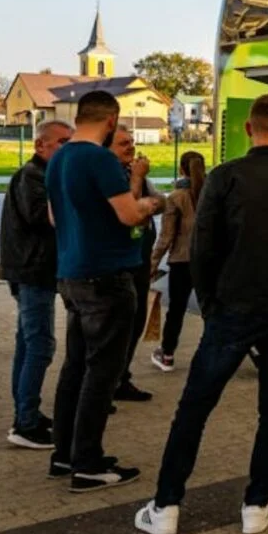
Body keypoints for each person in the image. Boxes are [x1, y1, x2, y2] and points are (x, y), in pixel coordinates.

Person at [134, 94, 268, 534]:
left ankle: (166, 506)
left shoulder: (225, 177)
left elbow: (203, 248)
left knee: (195, 408)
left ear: (247, 129)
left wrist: (209, 303)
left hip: (231, 309)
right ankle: (256, 503)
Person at [47, 91, 162, 493]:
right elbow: (129, 214)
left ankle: (64, 453)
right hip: (108, 276)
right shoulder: (100, 159)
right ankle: (89, 463)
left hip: (72, 274)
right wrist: (151, 203)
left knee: (74, 367)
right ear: (111, 119)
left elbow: (51, 215)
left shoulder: (60, 157)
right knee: (102, 373)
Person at [0, 120, 73, 449]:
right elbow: (41, 218)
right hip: (32, 272)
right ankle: (25, 423)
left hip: (34, 270)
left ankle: (28, 412)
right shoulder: (33, 176)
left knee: (29, 344)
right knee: (40, 345)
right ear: (40, 145)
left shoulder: (43, 175)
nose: (68, 148)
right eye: (62, 142)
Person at [109, 126, 162, 402]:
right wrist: (139, 181)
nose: (131, 148)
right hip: (120, 263)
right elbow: (129, 210)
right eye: (123, 144)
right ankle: (105, 386)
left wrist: (146, 197)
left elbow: (160, 203)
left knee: (136, 320)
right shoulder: (111, 176)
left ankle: (122, 377)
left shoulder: (132, 172)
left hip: (140, 256)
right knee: (118, 324)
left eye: (132, 142)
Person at [148, 151, 204, 372]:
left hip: (182, 260)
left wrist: (153, 264)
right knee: (213, 309)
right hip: (209, 261)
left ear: (182, 169)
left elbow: (166, 236)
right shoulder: (212, 194)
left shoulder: (176, 197)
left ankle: (167, 354)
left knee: (177, 309)